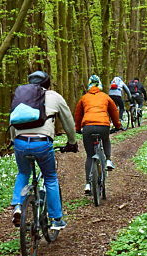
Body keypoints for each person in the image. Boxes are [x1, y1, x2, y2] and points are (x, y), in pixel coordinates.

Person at [10, 71, 78, 230]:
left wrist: (15, 140)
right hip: (41, 143)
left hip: (20, 143)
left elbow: (12, 120)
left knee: (23, 173)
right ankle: (56, 219)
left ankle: (18, 206)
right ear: (48, 84)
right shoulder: (54, 96)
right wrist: (72, 142)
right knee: (50, 177)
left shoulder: (21, 97)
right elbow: (67, 119)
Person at [74, 74, 122, 194]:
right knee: (105, 139)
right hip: (103, 125)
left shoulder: (84, 98)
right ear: (99, 85)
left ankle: (87, 184)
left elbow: (78, 114)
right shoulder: (105, 97)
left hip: (88, 127)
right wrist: (117, 126)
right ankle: (108, 160)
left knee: (90, 155)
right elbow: (114, 111)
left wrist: (77, 128)